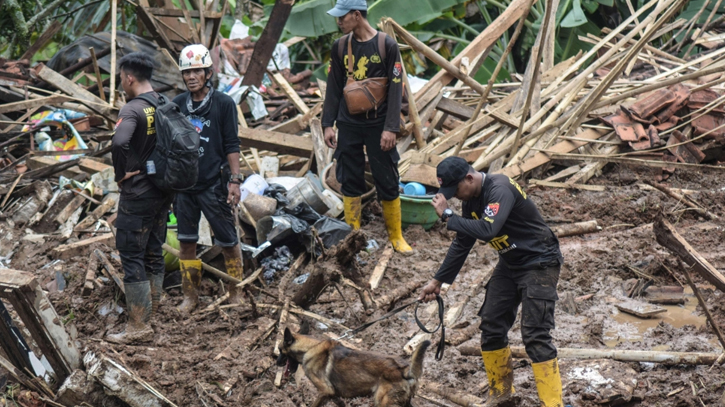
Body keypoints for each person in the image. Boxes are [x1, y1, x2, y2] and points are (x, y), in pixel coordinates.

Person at [418, 156, 565, 407]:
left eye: (457, 190)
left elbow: (488, 230)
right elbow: (462, 242)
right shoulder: (471, 199)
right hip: (510, 263)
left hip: (540, 261)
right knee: (492, 326)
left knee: (535, 335)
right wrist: (438, 280)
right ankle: (501, 395)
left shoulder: (499, 188)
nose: (456, 197)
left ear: (469, 178)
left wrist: (448, 216)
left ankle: (553, 404)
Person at [322, 0, 412, 253]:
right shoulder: (340, 47)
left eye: (342, 17)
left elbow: (396, 88)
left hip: (378, 124)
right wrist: (327, 124)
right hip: (349, 123)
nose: (338, 22)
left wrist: (391, 128)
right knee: (349, 178)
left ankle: (396, 236)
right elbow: (333, 87)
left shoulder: (386, 45)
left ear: (357, 15)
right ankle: (353, 236)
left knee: (387, 178)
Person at [172, 44, 243, 314]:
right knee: (186, 242)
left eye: (197, 72)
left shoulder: (224, 104)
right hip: (185, 186)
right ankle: (190, 296)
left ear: (208, 73)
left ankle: (236, 291)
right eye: (187, 72)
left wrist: (234, 180)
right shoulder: (178, 105)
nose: (191, 77)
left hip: (214, 183)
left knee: (228, 240)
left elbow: (232, 144)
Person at [108, 52, 172, 343]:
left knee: (131, 254)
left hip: (138, 193)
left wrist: (122, 173)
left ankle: (139, 327)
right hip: (163, 189)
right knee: (153, 249)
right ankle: (153, 310)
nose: (121, 82)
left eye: (121, 77)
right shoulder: (165, 103)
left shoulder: (133, 108)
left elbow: (120, 141)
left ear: (129, 78)